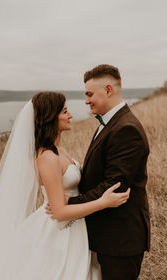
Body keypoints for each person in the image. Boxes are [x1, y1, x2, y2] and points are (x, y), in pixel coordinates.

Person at [0, 91, 130, 280]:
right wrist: (103, 202)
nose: (70, 115)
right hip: (60, 232)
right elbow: (59, 212)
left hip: (78, 225)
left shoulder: (59, 150)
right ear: (50, 117)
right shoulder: (47, 157)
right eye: (64, 112)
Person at [60, 64, 150, 280]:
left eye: (90, 94)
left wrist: (69, 203)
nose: (86, 100)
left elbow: (114, 186)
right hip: (105, 234)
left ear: (108, 90)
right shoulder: (109, 123)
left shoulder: (126, 129)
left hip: (120, 240)